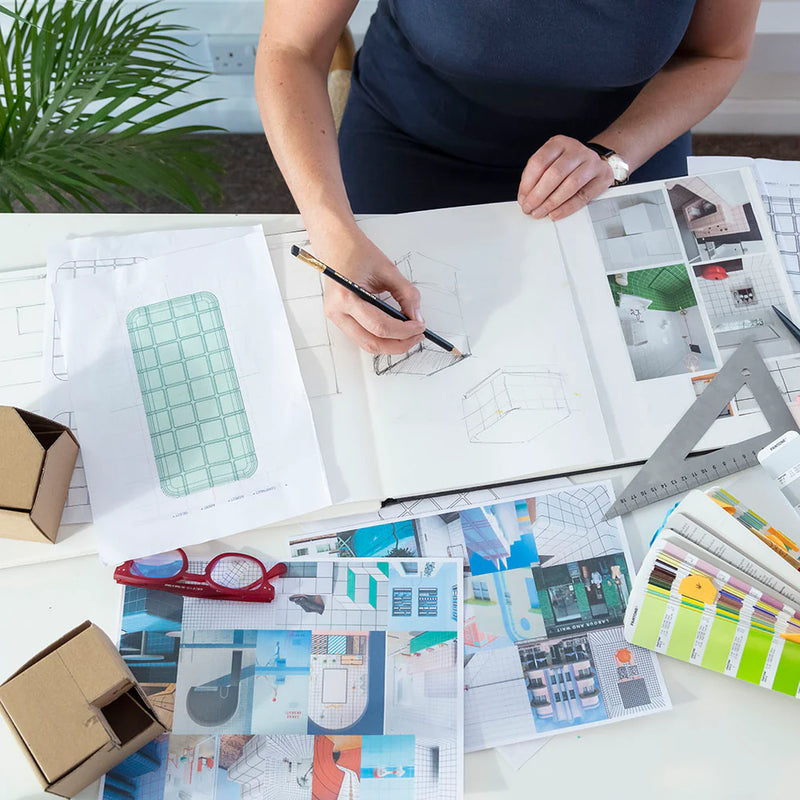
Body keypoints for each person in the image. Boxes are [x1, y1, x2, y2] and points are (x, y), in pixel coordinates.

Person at [255, 1, 759, 356]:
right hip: (415, 142)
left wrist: (614, 153)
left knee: (640, 360)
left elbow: (718, 53)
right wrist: (330, 234)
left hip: (620, 149)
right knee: (372, 349)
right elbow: (290, 48)